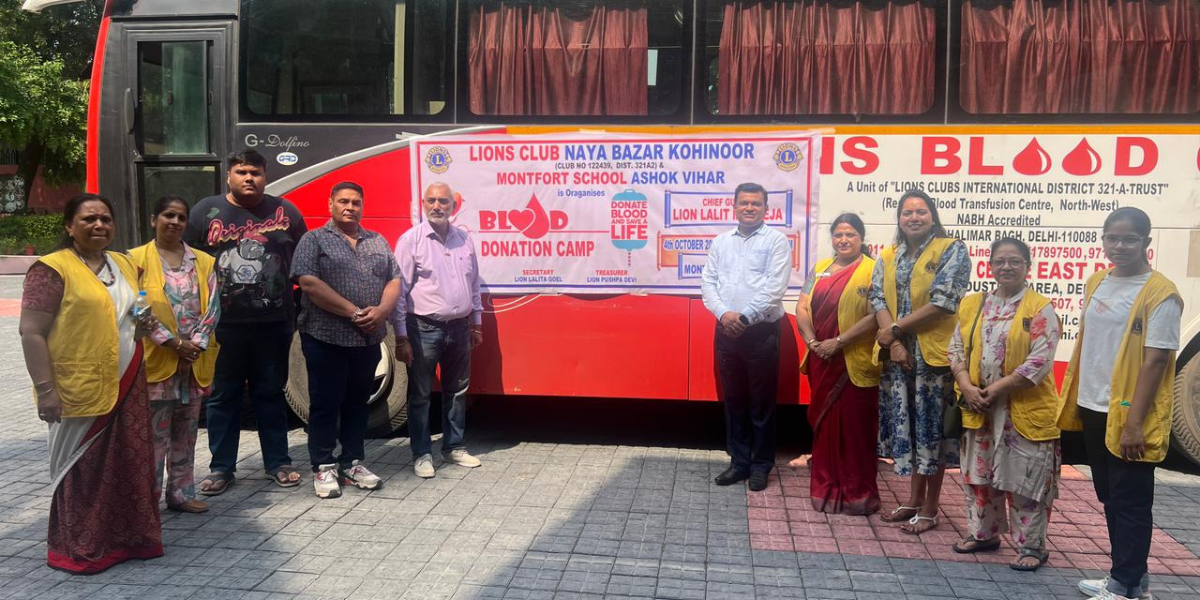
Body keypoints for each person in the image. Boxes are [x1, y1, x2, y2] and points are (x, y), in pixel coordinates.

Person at [19, 194, 163, 574]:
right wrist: (46, 390)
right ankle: (81, 547)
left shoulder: (124, 264)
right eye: (88, 219)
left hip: (128, 379)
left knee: (128, 461)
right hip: (77, 387)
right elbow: (31, 332)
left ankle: (128, 540)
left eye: (105, 219)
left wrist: (143, 322)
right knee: (83, 468)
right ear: (69, 226)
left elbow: (131, 312)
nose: (99, 225)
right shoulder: (52, 269)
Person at [1059, 207, 1182, 600]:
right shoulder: (1097, 281)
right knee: (1110, 495)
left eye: (1130, 239)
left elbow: (1156, 360)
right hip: (1095, 406)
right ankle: (1128, 577)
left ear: (1147, 242)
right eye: (1112, 237)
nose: (1119, 246)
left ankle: (1125, 585)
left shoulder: (1161, 293)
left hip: (1130, 414)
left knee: (1130, 499)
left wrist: (1135, 422)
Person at [186, 149, 308, 494]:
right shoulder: (205, 212)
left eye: (255, 172)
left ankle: (278, 463)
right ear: (229, 176)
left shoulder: (286, 212)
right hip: (220, 325)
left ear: (265, 176)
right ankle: (221, 468)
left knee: (270, 393)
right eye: (241, 172)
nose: (249, 178)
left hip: (274, 323)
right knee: (223, 396)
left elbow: (304, 262)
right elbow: (186, 264)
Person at [948, 237, 1061, 571]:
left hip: (1021, 410)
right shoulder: (973, 304)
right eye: (1000, 261)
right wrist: (966, 385)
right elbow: (955, 348)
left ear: (1028, 266)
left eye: (1014, 261)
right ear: (990, 266)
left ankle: (1032, 547)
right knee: (979, 475)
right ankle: (983, 534)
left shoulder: (1040, 308)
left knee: (1026, 480)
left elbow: (1040, 361)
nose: (1006, 267)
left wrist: (996, 388)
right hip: (979, 407)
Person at [292, 182, 401, 498]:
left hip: (367, 339)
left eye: (355, 202)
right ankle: (323, 465)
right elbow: (308, 283)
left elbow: (394, 279)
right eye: (343, 201)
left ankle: (352, 462)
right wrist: (354, 312)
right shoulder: (314, 240)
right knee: (325, 404)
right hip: (325, 337)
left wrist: (382, 310)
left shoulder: (377, 240)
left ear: (362, 206)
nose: (350, 207)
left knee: (357, 403)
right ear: (331, 204)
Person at [871, 189, 970, 534]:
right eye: (907, 212)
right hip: (897, 357)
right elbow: (877, 298)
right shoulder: (889, 255)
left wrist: (895, 330)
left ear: (932, 216)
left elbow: (945, 300)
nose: (914, 217)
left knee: (932, 431)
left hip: (933, 358)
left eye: (921, 211)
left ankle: (930, 508)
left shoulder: (951, 249)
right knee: (912, 430)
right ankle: (913, 500)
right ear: (899, 219)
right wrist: (895, 342)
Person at [130, 196, 221, 514]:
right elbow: (136, 308)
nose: (175, 222)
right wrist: (172, 343)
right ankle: (148, 501)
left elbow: (213, 307)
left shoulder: (203, 261)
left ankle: (181, 494)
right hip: (158, 360)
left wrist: (196, 343)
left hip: (193, 361)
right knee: (154, 437)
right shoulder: (134, 260)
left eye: (181, 217)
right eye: (168, 215)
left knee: (187, 431)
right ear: (154, 219)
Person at [701, 182, 791, 492]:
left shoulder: (776, 241)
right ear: (734, 206)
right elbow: (708, 283)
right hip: (726, 330)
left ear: (766, 208)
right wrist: (724, 314)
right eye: (744, 203)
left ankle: (761, 465)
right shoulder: (721, 242)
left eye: (755, 203)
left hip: (760, 333)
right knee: (735, 400)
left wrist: (744, 318)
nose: (749, 208)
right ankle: (739, 462)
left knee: (761, 403)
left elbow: (775, 287)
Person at [392, 182, 484, 478]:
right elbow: (399, 292)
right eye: (431, 200)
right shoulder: (411, 240)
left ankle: (453, 446)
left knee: (457, 390)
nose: (436, 206)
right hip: (423, 328)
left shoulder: (464, 239)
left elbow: (474, 283)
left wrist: (476, 324)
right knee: (420, 393)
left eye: (443, 201)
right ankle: (421, 453)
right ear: (423, 204)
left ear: (453, 206)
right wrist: (401, 337)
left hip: (460, 328)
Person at [793, 213, 881, 514]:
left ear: (861, 238)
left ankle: (858, 495)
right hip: (822, 359)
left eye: (850, 234)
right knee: (824, 427)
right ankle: (825, 490)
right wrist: (812, 341)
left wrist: (839, 342)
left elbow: (876, 315)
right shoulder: (819, 269)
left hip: (854, 363)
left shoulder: (873, 269)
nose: (844, 240)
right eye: (839, 234)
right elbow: (802, 306)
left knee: (857, 432)